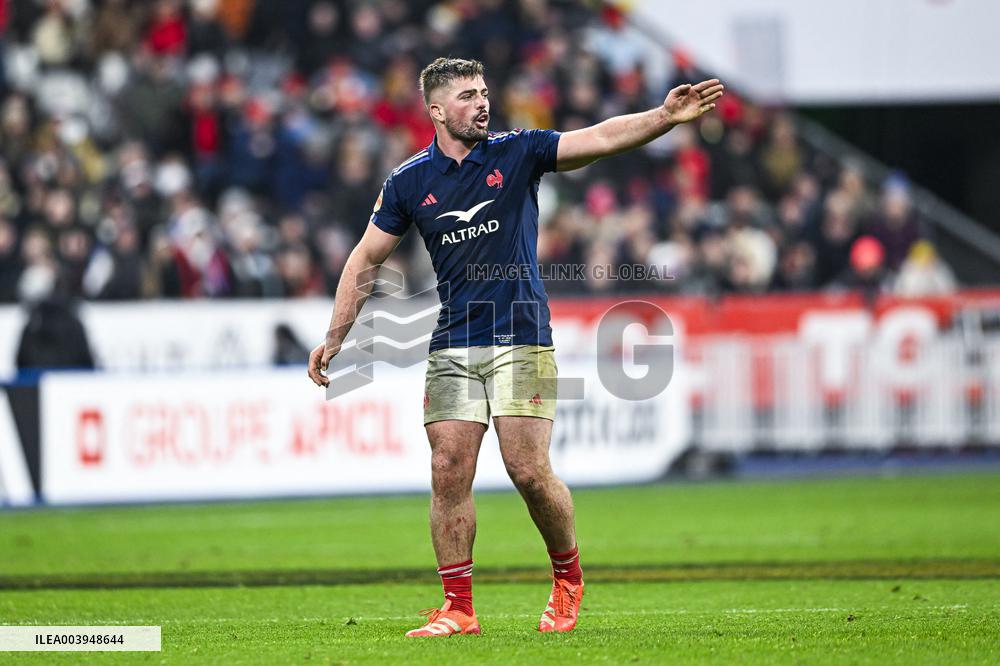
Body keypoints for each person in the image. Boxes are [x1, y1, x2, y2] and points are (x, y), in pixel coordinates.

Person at [307, 57, 723, 637]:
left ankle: (568, 579)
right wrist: (335, 337)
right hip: (454, 338)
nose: (482, 103)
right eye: (467, 96)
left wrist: (663, 117)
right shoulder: (408, 181)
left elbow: (597, 139)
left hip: (522, 333)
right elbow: (365, 258)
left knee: (527, 470)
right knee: (447, 468)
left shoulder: (517, 151)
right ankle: (457, 608)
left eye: (484, 92)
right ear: (436, 111)